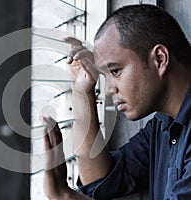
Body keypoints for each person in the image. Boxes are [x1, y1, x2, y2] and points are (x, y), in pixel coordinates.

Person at [42, 4, 191, 200]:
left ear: (160, 59)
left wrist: (64, 196)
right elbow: (101, 180)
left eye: (115, 71)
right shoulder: (164, 125)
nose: (108, 90)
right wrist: (82, 93)